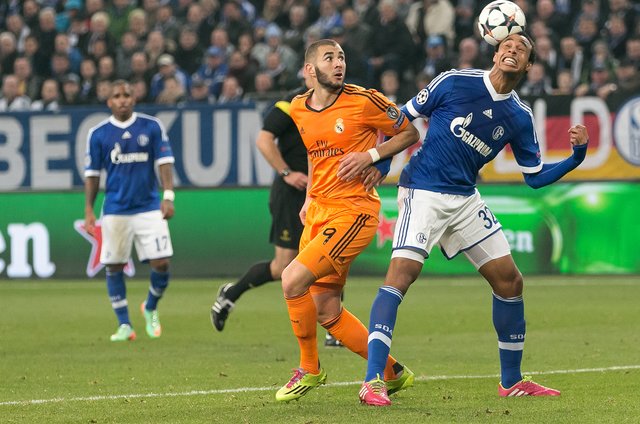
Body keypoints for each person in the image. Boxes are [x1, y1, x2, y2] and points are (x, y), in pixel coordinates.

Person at [357, 33, 590, 406]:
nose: (512, 51)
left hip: (465, 198)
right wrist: (381, 162)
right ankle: (372, 380)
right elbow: (400, 119)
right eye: (507, 46)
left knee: (510, 281)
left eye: (521, 50)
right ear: (495, 54)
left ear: (529, 65)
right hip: (423, 190)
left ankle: (511, 381)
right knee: (401, 275)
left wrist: (575, 158)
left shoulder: (519, 116)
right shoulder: (454, 81)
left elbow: (534, 177)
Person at [274, 39, 420, 402]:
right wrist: (309, 197)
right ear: (310, 70)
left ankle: (310, 368)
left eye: (341, 57)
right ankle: (393, 373)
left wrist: (372, 156)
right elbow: (314, 154)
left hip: (354, 211)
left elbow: (409, 132)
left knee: (291, 278)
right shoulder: (298, 108)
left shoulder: (364, 100)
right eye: (329, 58)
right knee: (326, 310)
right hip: (319, 211)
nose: (339, 63)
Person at [211, 73, 343, 348]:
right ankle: (231, 294)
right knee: (283, 266)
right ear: (309, 71)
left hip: (322, 191)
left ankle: (334, 326)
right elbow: (263, 140)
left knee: (330, 254)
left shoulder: (338, 101)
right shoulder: (290, 103)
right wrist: (286, 173)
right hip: (291, 195)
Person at [84, 79, 176, 342]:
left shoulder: (151, 126)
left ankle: (150, 306)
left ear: (134, 99)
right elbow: (92, 175)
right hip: (115, 209)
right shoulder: (98, 134)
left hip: (149, 206)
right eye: (117, 96)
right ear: (109, 102)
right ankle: (124, 324)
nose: (122, 100)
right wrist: (89, 209)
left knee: (162, 262)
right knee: (114, 265)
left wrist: (168, 196)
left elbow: (164, 162)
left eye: (126, 95)